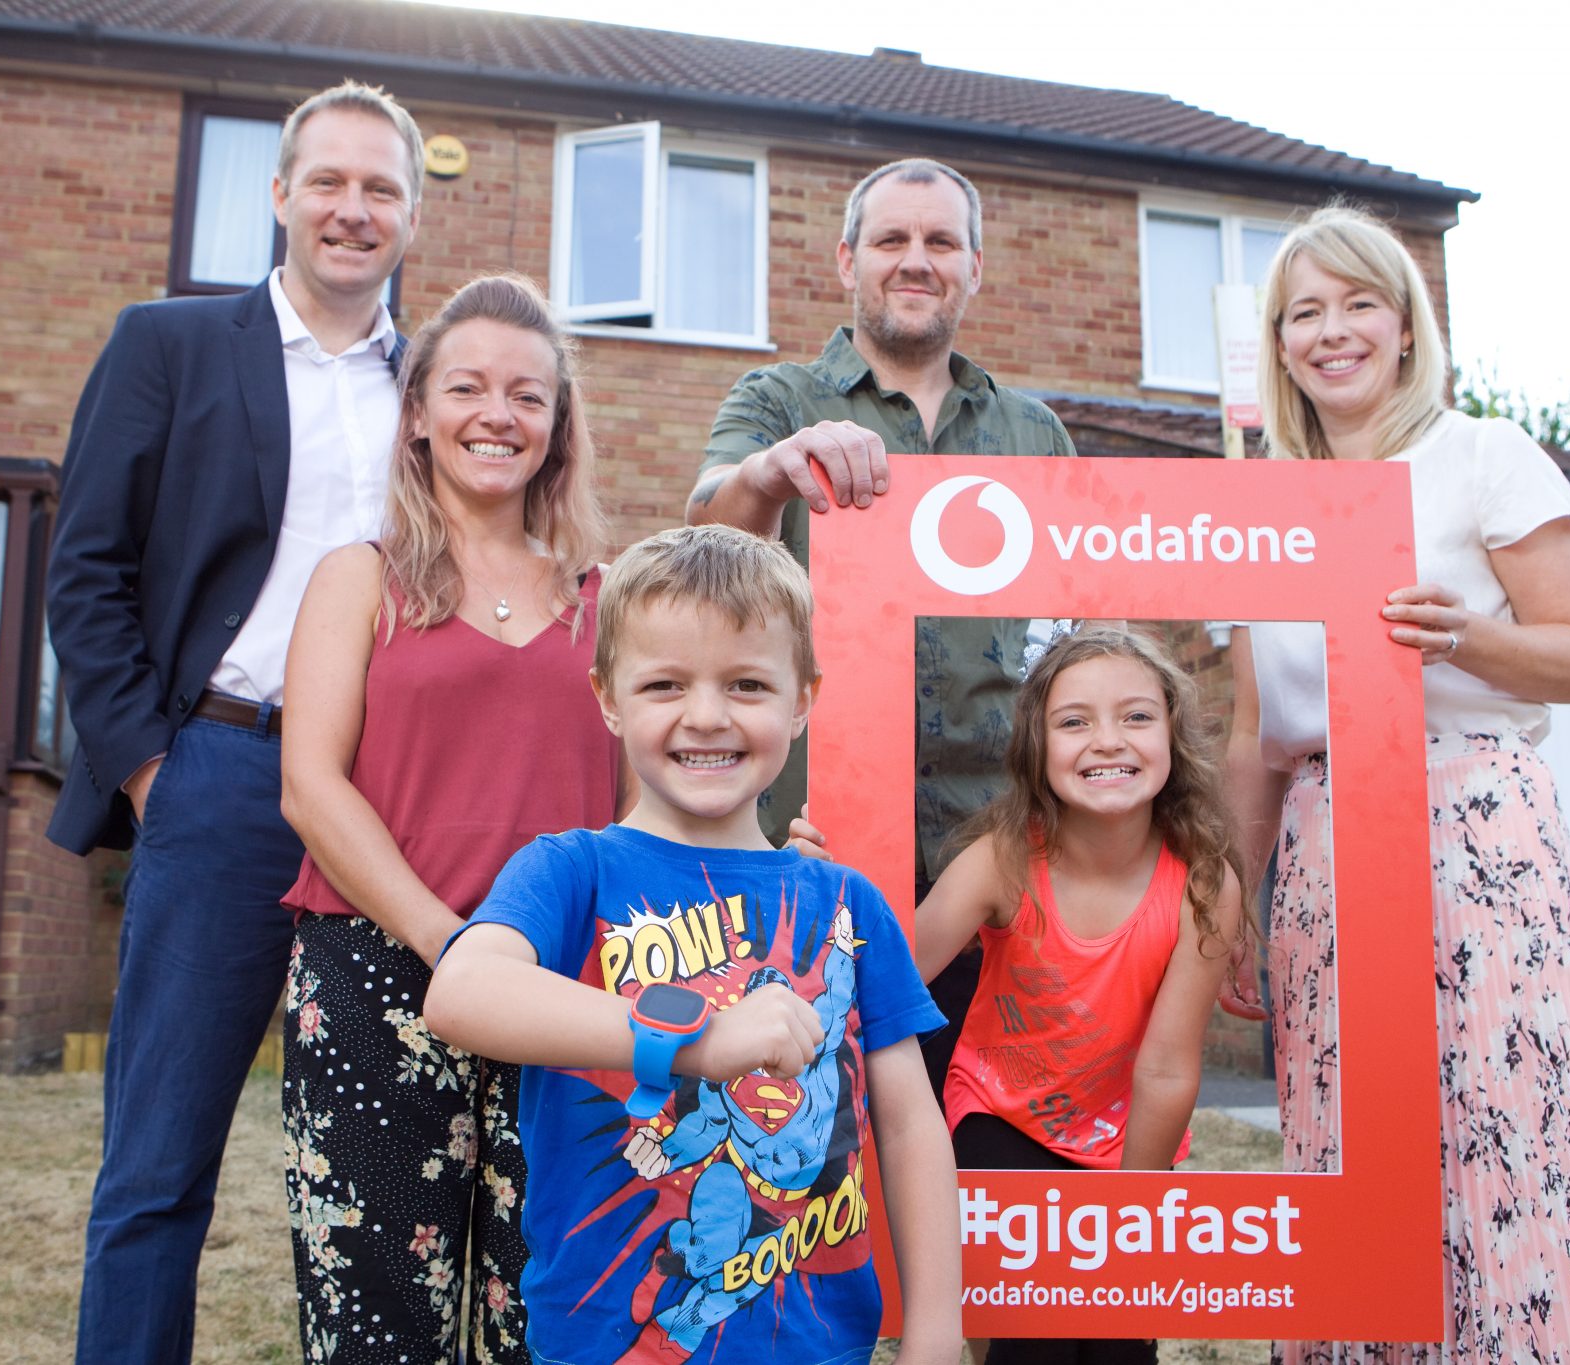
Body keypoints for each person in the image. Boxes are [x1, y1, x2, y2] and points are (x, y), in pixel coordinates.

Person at [44, 80, 422, 1364]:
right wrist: (151, 769)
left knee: (396, 1162)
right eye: (328, 181)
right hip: (214, 775)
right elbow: (84, 568)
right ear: (278, 195)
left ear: (410, 217)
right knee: (156, 1168)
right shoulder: (168, 346)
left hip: (386, 806)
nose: (351, 210)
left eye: (380, 190)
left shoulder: (435, 391)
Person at [1226, 205, 1570, 1363]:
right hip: (1322, 846)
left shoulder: (1481, 454)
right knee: (1353, 1131)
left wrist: (1462, 639)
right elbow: (1253, 736)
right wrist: (1227, 910)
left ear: (1405, 327)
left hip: (1478, 829)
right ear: (1278, 341)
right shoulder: (1256, 502)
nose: (1331, 331)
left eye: (1358, 303)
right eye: (1303, 312)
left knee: (1501, 1122)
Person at [425, 524, 962, 1365]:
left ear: (803, 699)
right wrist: (698, 1041)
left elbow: (909, 1125)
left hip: (819, 1345)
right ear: (608, 697)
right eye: (665, 683)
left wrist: (936, 1330)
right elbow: (462, 992)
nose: (705, 715)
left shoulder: (849, 904)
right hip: (606, 1342)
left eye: (747, 683)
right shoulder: (571, 872)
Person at [277, 274, 614, 1362]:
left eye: (527, 396)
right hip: (376, 971)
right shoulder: (356, 578)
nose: (496, 416)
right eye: (466, 387)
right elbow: (310, 785)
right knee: (378, 1321)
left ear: (557, 426)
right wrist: (449, 942)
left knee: (551, 1309)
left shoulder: (608, 600)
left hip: (570, 989)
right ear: (417, 411)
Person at [689, 156, 1076, 1091]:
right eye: (892, 240)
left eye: (941, 241)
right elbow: (704, 531)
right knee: (800, 1148)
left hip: (1002, 871)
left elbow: (1074, 645)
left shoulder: (1035, 433)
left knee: (982, 1158)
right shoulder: (777, 401)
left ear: (974, 267)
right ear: (846, 260)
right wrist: (776, 469)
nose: (916, 260)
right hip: (808, 854)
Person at [917, 628, 1243, 1365]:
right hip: (999, 1116)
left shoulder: (1203, 883)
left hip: (1124, 1142)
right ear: (1035, 746)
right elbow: (894, 971)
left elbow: (1165, 1067)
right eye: (1074, 721)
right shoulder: (1002, 859)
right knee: (1038, 1340)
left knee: (1118, 1348)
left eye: (1135, 716)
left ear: (1172, 734)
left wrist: (1130, 1215)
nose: (1107, 740)